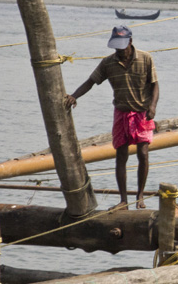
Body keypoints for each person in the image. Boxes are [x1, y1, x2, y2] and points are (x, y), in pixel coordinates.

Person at [65, 26, 159, 209]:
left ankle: (140, 196)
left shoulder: (145, 58)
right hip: (121, 112)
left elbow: (155, 85)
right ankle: (123, 200)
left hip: (142, 112)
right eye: (117, 48)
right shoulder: (108, 63)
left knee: (143, 153)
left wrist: (153, 106)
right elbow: (91, 82)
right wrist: (74, 96)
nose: (120, 51)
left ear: (130, 42)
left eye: (123, 47)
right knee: (121, 155)